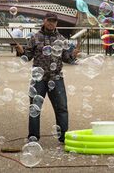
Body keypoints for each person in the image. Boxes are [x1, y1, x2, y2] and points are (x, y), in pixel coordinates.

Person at [15, 12, 79, 143]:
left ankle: (63, 137)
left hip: (56, 78)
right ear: (44, 21)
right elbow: (27, 57)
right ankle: (33, 137)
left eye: (54, 21)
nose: (51, 23)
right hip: (39, 78)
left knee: (62, 108)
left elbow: (67, 58)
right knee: (35, 108)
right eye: (49, 20)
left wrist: (73, 55)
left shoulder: (61, 39)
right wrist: (21, 51)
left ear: (56, 23)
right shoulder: (35, 37)